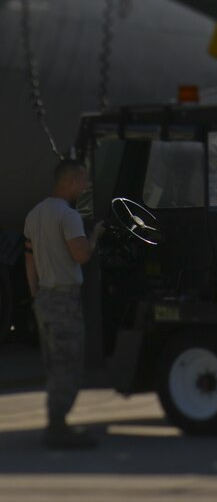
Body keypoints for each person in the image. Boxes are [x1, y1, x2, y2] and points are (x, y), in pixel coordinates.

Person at [23, 159, 104, 450]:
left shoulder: (34, 215)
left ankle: (56, 423)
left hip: (45, 298)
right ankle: (58, 428)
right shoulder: (69, 217)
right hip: (64, 299)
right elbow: (81, 254)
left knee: (53, 364)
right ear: (70, 183)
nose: (84, 186)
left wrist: (36, 297)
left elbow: (29, 260)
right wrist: (95, 235)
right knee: (68, 365)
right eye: (82, 181)